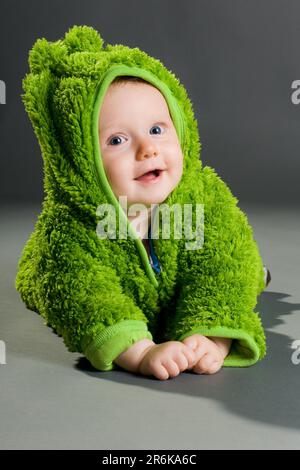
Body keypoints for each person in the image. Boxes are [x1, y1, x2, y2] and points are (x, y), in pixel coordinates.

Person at [15, 25, 271, 381]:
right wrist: (140, 351)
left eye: (156, 130)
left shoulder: (203, 196)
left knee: (241, 264)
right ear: (80, 159)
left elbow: (224, 264)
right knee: (48, 280)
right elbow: (88, 297)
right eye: (117, 139)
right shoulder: (72, 230)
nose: (147, 149)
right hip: (82, 279)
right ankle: (33, 273)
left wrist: (212, 336)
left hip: (194, 279)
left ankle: (252, 281)